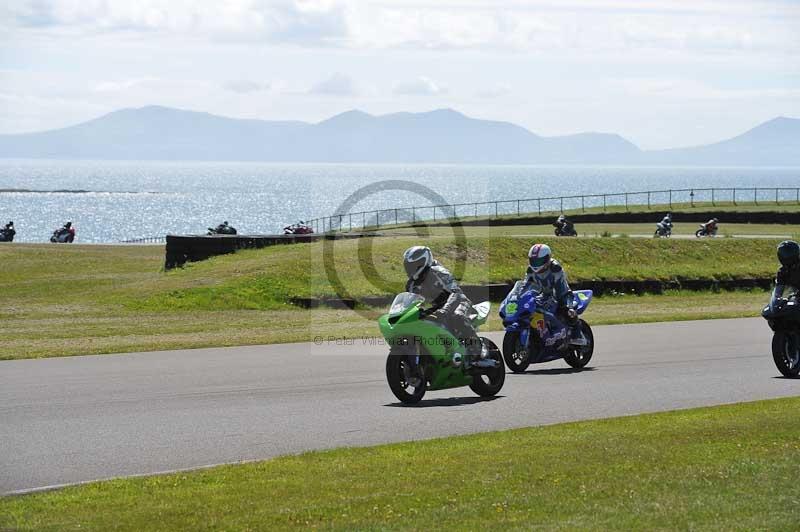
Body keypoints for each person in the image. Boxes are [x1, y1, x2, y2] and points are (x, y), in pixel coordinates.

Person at [402, 246, 482, 358]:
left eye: (413, 266)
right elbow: (409, 302)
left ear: (423, 262)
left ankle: (477, 350)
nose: (409, 269)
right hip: (438, 308)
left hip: (458, 302)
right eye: (408, 266)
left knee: (457, 316)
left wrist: (446, 309)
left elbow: (455, 292)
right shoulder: (411, 284)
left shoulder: (438, 272)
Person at [525, 243, 584, 343]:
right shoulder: (530, 270)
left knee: (568, 310)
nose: (536, 264)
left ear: (547, 259)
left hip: (561, 294)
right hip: (544, 295)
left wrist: (562, 303)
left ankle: (578, 333)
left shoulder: (555, 268)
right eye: (533, 261)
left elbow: (560, 286)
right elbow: (526, 285)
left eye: (539, 261)